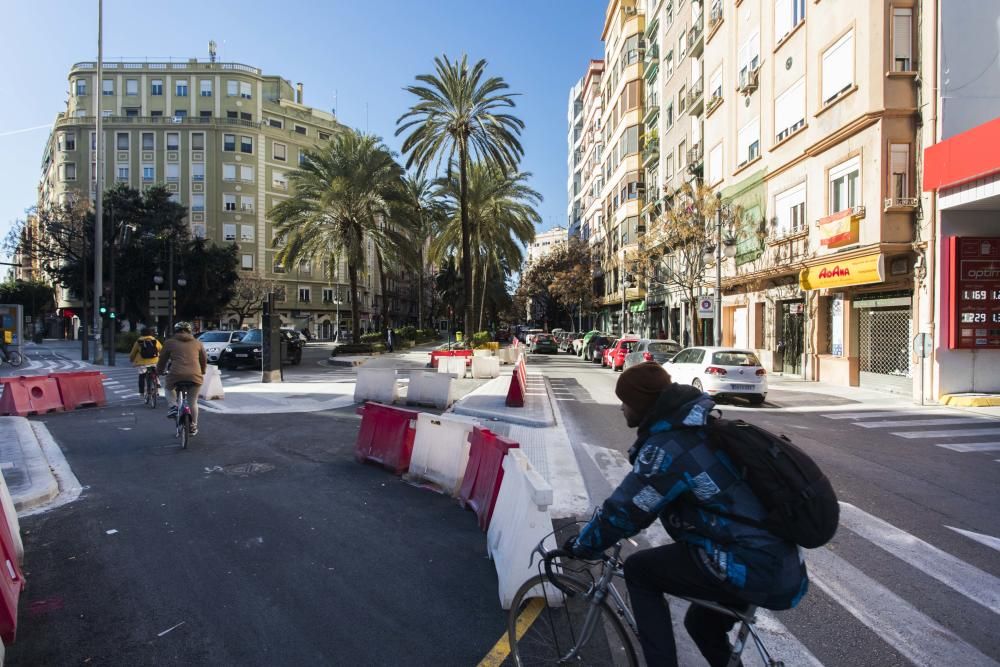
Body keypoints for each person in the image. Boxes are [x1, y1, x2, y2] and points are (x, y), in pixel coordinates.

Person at [565, 363, 808, 667]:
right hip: (778, 563)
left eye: (625, 401)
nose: (622, 409)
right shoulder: (698, 427)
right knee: (701, 624)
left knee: (640, 570)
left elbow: (625, 512)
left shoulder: (670, 446)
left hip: (751, 564)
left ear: (641, 405)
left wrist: (581, 546)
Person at [156, 322, 207, 436]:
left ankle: (173, 406)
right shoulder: (198, 343)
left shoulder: (169, 343)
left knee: (169, 388)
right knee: (193, 401)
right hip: (195, 375)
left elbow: (162, 360)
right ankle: (193, 426)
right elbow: (204, 359)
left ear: (175, 331)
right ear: (190, 331)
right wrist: (202, 371)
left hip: (175, 374)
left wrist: (159, 371)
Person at [128, 327, 162, 395]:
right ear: (151, 333)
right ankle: (157, 383)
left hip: (142, 363)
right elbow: (161, 349)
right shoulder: (155, 340)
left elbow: (133, 353)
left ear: (141, 333)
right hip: (154, 361)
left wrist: (131, 359)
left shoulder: (139, 341)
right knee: (155, 372)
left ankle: (141, 392)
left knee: (142, 376)